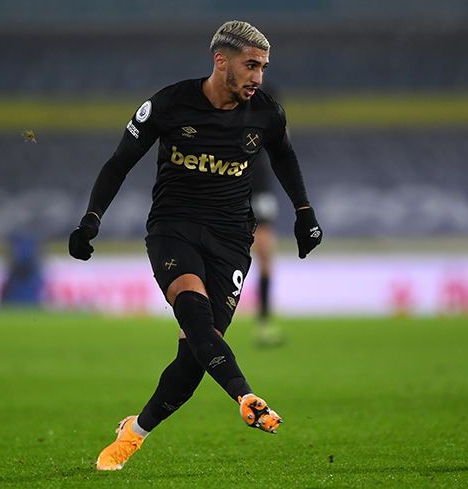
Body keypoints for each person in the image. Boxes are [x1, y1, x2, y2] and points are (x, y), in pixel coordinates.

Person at [68, 20, 323, 471]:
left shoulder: (266, 112)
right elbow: (119, 163)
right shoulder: (168, 104)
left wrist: (304, 214)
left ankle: (135, 431)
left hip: (230, 241)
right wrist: (92, 219)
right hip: (174, 229)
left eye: (263, 67)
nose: (257, 77)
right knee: (196, 316)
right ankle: (245, 396)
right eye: (250, 65)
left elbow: (284, 156)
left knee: (195, 354)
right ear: (220, 61)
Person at [249, 151, 284, 346]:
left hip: (260, 196)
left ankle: (263, 321)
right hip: (234, 191)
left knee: (265, 258)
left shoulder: (265, 125)